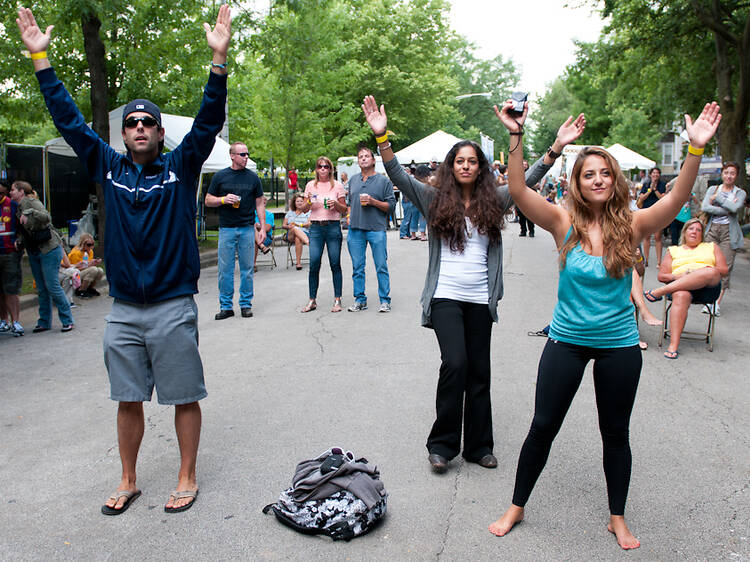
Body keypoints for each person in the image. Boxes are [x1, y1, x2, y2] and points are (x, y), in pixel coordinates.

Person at [17, 4, 232, 514]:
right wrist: (41, 59)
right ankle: (129, 478)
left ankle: (186, 475)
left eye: (147, 123)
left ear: (159, 134)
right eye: (132, 122)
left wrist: (218, 62)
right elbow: (68, 119)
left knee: (183, 395)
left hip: (171, 304)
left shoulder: (180, 168)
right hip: (124, 309)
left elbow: (207, 122)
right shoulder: (108, 168)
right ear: (123, 134)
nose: (138, 128)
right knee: (127, 397)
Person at [489, 99, 720, 549]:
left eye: (605, 173)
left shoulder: (631, 225)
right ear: (578, 182)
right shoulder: (563, 222)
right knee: (542, 427)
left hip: (618, 345)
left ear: (614, 180)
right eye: (588, 173)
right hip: (566, 341)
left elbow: (675, 200)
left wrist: (694, 151)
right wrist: (516, 136)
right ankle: (516, 506)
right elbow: (517, 191)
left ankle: (617, 516)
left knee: (616, 433)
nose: (597, 180)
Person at [362, 95, 585, 474]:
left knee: (480, 370)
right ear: (451, 167)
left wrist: (555, 148)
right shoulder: (432, 197)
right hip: (445, 296)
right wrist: (382, 138)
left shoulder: (495, 200)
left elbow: (526, 181)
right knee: (456, 363)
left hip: (481, 299)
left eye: (472, 161)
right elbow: (398, 175)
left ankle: (479, 446)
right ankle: (442, 444)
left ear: (480, 168)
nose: (466, 166)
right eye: (460, 161)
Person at [644, 218, 727, 358]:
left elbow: (723, 270)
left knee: (711, 271)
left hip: (707, 288)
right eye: (691, 228)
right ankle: (673, 346)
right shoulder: (673, 250)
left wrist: (697, 273)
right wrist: (680, 277)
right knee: (681, 294)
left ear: (702, 234)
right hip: (680, 287)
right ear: (684, 232)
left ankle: (659, 292)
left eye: (698, 230)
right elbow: (662, 276)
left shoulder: (711, 247)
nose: (694, 232)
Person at [205, 141, 265, 320]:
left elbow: (260, 202)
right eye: (242, 154)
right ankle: (226, 306)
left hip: (247, 228)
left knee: (247, 268)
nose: (246, 157)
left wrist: (261, 226)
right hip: (227, 228)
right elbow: (208, 200)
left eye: (247, 154)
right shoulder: (220, 176)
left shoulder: (252, 178)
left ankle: (245, 304)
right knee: (225, 269)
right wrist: (223, 200)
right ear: (232, 156)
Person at [10, 181, 75, 333]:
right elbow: (27, 231)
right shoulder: (18, 208)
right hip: (34, 250)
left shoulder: (31, 202)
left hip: (49, 249)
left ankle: (67, 320)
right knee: (41, 288)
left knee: (52, 285)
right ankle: (44, 321)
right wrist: (20, 241)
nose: (10, 192)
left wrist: (29, 212)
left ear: (21, 191)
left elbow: (46, 217)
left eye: (13, 190)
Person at [346, 146, 396, 312]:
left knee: (381, 265)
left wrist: (373, 202)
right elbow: (349, 204)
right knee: (357, 267)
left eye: (367, 156)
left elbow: (391, 207)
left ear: (373, 160)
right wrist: (348, 216)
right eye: (361, 157)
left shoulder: (384, 181)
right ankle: (360, 300)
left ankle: (385, 300)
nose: (364, 158)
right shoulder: (352, 180)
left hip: (376, 229)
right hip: (355, 230)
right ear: (358, 162)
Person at [299, 156, 347, 313]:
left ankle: (337, 299)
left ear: (331, 169)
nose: (323, 169)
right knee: (314, 264)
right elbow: (304, 209)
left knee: (335, 263)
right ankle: (312, 300)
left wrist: (336, 204)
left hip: (332, 226)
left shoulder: (338, 186)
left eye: (326, 166)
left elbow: (344, 209)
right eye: (320, 166)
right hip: (316, 228)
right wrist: (309, 203)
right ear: (316, 169)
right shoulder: (310, 186)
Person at [700, 161, 746, 315]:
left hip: (729, 232)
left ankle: (716, 302)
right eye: (726, 173)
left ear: (736, 176)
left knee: (724, 267)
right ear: (722, 174)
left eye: (732, 173)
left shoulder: (740, 193)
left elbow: (735, 208)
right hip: (712, 229)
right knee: (708, 263)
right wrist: (726, 207)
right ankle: (707, 299)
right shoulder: (713, 188)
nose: (729, 176)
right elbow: (705, 207)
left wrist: (718, 199)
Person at [0, 179, 23, 336]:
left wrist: (19, 241)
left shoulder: (12, 206)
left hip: (9, 254)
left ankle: (16, 322)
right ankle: (3, 320)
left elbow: (22, 227)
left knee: (11, 289)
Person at [636, 167, 667, 266]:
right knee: (646, 236)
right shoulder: (645, 184)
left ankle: (658, 261)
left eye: (657, 173)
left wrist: (655, 190)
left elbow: (662, 198)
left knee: (658, 237)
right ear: (650, 174)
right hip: (646, 211)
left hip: (658, 211)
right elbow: (641, 197)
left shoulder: (662, 185)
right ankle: (646, 260)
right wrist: (650, 190)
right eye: (654, 173)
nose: (655, 175)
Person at [68, 232, 105, 298]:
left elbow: (88, 264)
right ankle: (81, 290)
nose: (91, 246)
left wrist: (95, 262)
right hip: (74, 275)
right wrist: (90, 265)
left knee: (100, 270)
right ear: (82, 244)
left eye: (92, 244)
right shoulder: (76, 253)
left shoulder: (90, 251)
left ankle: (89, 288)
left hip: (83, 272)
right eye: (88, 244)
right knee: (93, 269)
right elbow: (74, 269)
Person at [283, 194, 310, 270]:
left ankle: (298, 263)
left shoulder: (308, 212)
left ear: (304, 202)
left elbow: (309, 223)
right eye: (297, 201)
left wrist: (299, 225)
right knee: (294, 229)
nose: (299, 203)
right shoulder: (290, 213)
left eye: (301, 201)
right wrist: (289, 226)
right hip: (290, 234)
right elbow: (284, 225)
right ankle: (308, 243)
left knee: (298, 238)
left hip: (305, 233)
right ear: (294, 202)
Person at [254, 195, 274, 263]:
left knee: (254, 240)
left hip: (265, 237)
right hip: (250, 236)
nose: (263, 203)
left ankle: (253, 265)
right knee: (252, 229)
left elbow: (267, 229)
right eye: (261, 202)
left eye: (264, 202)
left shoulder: (269, 215)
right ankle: (262, 246)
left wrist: (258, 226)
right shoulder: (252, 213)